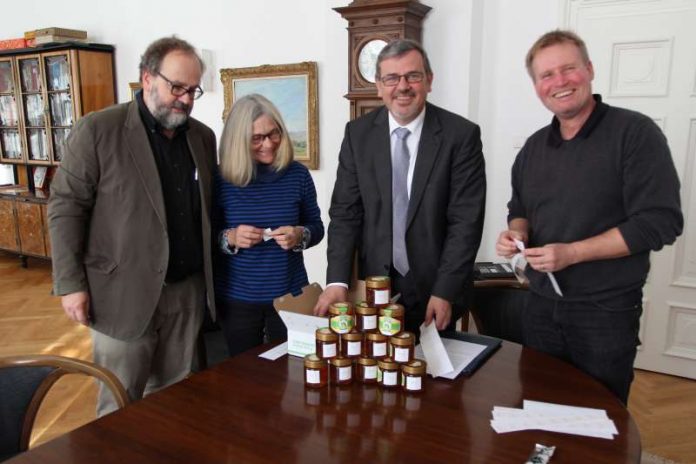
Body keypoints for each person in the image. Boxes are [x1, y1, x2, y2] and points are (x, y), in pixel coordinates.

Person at [496, 30, 683, 403]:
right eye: (546, 75)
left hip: (605, 312)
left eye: (569, 69)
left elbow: (660, 222)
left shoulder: (635, 133)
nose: (559, 82)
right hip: (539, 306)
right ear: (536, 86)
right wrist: (514, 233)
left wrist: (573, 253)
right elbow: (520, 210)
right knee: (540, 405)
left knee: (602, 418)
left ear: (590, 69)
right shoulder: (534, 147)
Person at [48, 36, 217, 416]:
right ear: (147, 78)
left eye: (193, 90)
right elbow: (66, 207)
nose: (186, 100)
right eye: (177, 87)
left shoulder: (203, 138)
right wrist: (71, 284)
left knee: (177, 404)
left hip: (185, 293)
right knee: (119, 405)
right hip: (121, 293)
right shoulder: (98, 130)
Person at [313, 39, 486, 335]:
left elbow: (465, 222)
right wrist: (337, 281)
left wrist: (445, 290)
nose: (402, 86)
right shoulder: (358, 135)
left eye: (413, 76)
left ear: (429, 81)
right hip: (374, 289)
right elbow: (345, 213)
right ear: (379, 86)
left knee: (436, 375)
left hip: (436, 289)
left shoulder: (461, 136)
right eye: (391, 78)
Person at [214, 94, 324, 356]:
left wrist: (300, 234)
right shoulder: (220, 179)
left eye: (274, 134)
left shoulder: (297, 175)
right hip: (236, 301)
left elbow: (317, 227)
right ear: (238, 142)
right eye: (257, 138)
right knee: (242, 381)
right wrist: (230, 237)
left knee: (293, 376)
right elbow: (204, 237)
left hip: (291, 299)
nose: (269, 144)